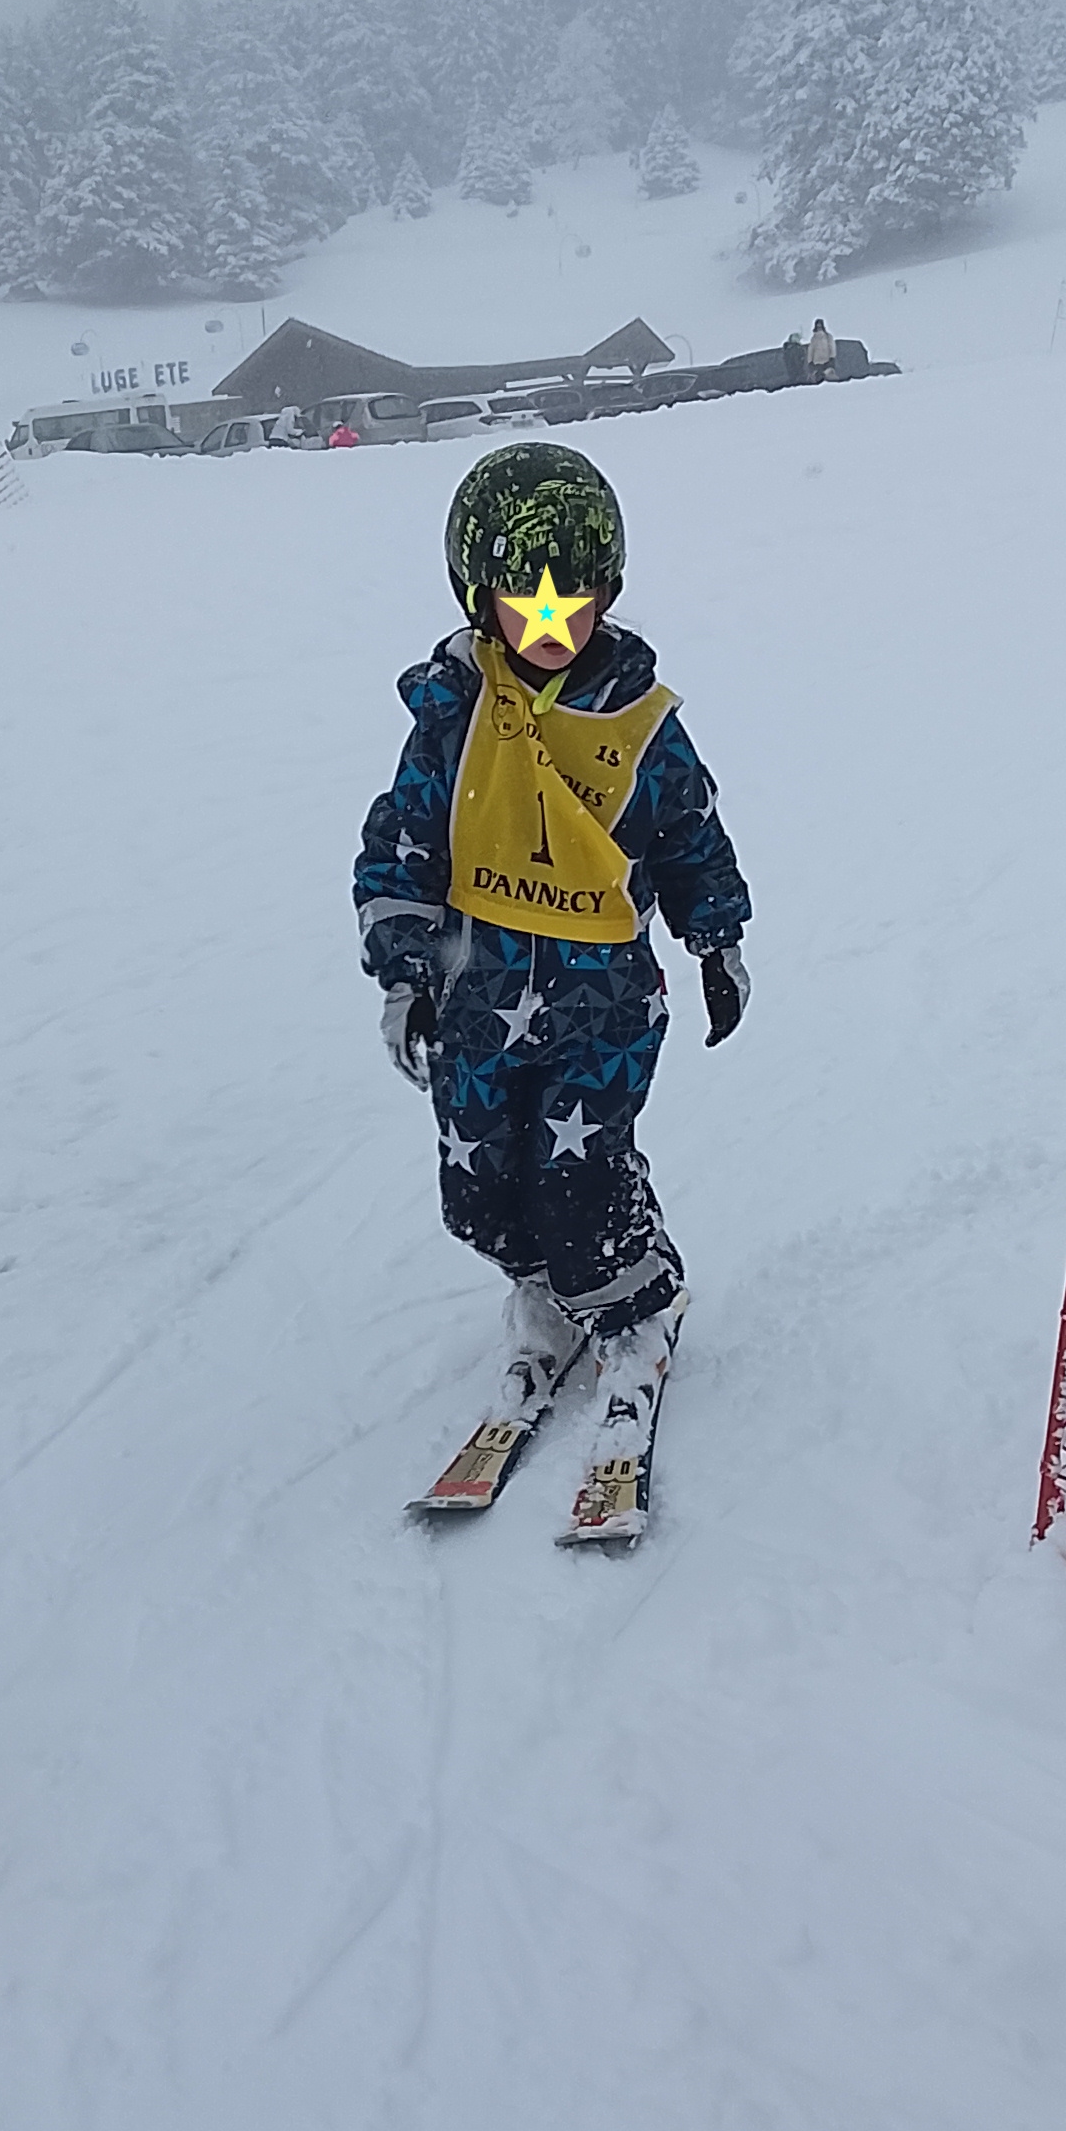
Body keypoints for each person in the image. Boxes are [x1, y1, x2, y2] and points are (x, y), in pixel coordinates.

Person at [354, 442, 751, 1532]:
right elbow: (402, 848)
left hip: (602, 1006)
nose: (548, 622)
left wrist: (715, 941)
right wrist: (403, 973)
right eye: (523, 599)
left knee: (579, 1180)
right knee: (479, 1191)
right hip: (476, 1000)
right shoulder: (452, 716)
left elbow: (688, 834)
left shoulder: (636, 718)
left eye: (571, 599)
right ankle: (551, 1291)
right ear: (477, 595)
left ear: (605, 593)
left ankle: (632, 1307)